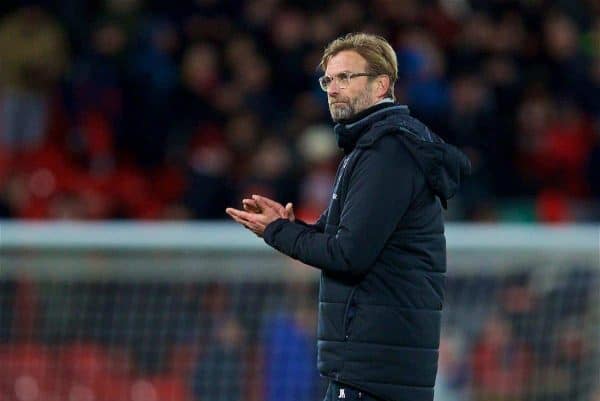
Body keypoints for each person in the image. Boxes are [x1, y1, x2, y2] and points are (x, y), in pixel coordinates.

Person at [226, 32, 471, 401]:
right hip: (375, 371)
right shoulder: (370, 148)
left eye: (345, 78)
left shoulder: (387, 153)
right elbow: (335, 237)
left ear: (381, 84)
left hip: (374, 373)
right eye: (328, 80)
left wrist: (278, 232)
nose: (333, 89)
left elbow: (348, 255)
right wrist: (286, 227)